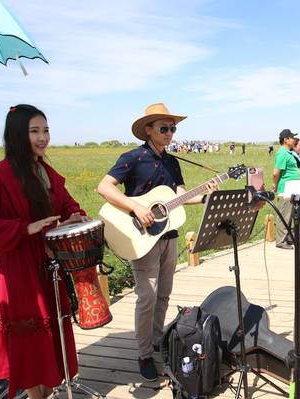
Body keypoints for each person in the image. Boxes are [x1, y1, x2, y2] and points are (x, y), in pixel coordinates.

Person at [0, 104, 89, 399]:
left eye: (45, 130)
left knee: (51, 335)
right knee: (31, 342)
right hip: (19, 270)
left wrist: (74, 216)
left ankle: (47, 392)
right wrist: (24, 229)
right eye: (35, 131)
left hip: (49, 266)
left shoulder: (46, 171)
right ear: (17, 135)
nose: (43, 137)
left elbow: (67, 203)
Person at [96, 103, 216, 381]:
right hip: (141, 238)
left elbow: (182, 195)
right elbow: (104, 187)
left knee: (163, 295)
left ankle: (158, 342)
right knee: (146, 298)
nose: (170, 133)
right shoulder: (133, 158)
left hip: (169, 235)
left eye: (173, 128)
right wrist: (136, 208)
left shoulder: (173, 162)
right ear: (148, 130)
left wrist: (207, 193)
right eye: (164, 128)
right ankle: (143, 354)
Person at [271, 129, 300, 249]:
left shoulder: (288, 152)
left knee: (289, 214)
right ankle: (280, 241)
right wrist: (276, 184)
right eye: (292, 137)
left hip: (292, 188)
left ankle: (287, 236)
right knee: (284, 214)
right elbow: (275, 173)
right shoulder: (282, 153)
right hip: (285, 189)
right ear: (285, 140)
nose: (294, 139)